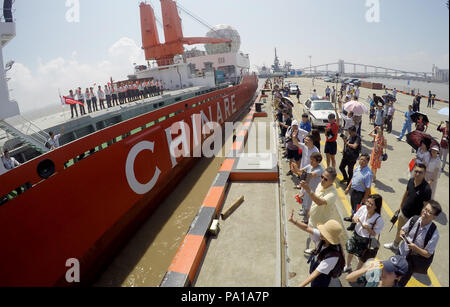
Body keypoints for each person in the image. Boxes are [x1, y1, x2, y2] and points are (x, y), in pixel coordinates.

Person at [384, 163, 432, 252]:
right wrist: (400, 207)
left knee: (409, 237)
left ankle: (403, 252)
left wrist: (420, 220)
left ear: (424, 174)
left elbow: (425, 207)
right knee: (399, 230)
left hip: (413, 218)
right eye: (416, 171)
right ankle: (395, 245)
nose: (417, 174)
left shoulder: (426, 189)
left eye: (420, 172)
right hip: (403, 213)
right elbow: (406, 194)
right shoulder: (411, 181)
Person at [288, 214, 345, 287]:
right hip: (317, 264)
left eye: (324, 232)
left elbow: (315, 274)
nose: (320, 232)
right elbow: (307, 228)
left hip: (321, 278)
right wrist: (293, 221)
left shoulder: (332, 257)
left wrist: (300, 285)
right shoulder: (323, 238)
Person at [395, 200, 441, 287]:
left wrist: (415, 248)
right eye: (425, 209)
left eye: (429, 212)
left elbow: (427, 254)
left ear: (434, 217)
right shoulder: (414, 219)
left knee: (400, 283)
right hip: (400, 252)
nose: (425, 212)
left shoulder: (434, 234)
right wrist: (402, 233)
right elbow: (403, 230)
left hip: (410, 261)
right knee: (389, 274)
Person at [344, 194, 384, 273]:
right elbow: (355, 217)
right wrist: (354, 219)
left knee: (362, 258)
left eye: (371, 204)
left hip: (365, 240)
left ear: (376, 207)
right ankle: (348, 266)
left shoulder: (379, 220)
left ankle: (356, 272)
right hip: (356, 234)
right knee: (350, 250)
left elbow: (374, 234)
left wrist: (368, 228)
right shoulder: (362, 208)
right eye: (367, 202)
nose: (368, 205)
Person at [292, 152, 324, 223]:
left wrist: (296, 171)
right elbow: (301, 171)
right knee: (304, 202)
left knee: (309, 205)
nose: (311, 162)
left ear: (318, 162)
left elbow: (308, 176)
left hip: (313, 191)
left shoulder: (319, 170)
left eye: (313, 160)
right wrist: (296, 169)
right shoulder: (310, 165)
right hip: (306, 187)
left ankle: (307, 219)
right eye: (310, 159)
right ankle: (304, 212)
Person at [344, 153, 373, 231]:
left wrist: (364, 198)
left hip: (360, 194)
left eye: (364, 160)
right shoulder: (357, 168)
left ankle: (353, 224)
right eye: (361, 159)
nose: (361, 161)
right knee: (353, 207)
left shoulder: (368, 173)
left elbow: (368, 188)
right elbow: (353, 179)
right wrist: (348, 188)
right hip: (354, 192)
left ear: (367, 162)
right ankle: (351, 217)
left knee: (357, 210)